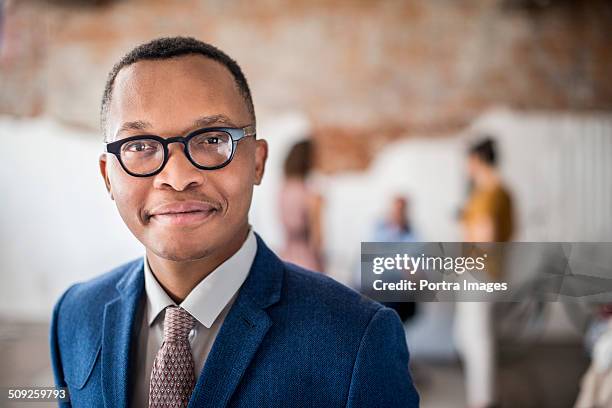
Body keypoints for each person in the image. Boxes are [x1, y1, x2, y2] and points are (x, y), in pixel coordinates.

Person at [49, 37, 419, 407]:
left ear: (257, 162)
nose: (177, 177)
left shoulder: (354, 340)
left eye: (212, 139)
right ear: (107, 177)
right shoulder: (75, 316)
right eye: (140, 145)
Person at [455, 137, 514, 408]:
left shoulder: (488, 194)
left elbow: (485, 239)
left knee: (476, 339)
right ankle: (486, 396)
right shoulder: (503, 193)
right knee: (471, 336)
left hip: (479, 272)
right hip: (492, 272)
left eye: (469, 161)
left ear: (477, 160)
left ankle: (483, 400)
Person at [278, 140, 324, 272]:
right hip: (308, 263)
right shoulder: (312, 196)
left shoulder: (283, 191)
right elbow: (318, 241)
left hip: (286, 259)